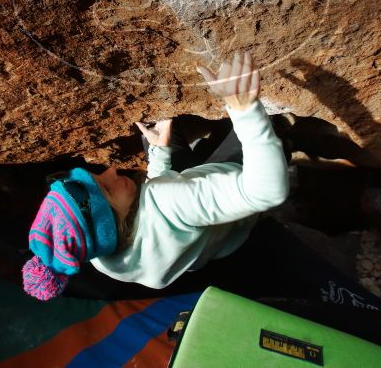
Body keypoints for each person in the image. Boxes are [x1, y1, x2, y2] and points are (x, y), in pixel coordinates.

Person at [22, 50, 290, 300]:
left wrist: (159, 155)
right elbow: (266, 191)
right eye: (108, 188)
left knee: (154, 139)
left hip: (199, 231)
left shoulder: (101, 256)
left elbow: (154, 223)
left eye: (98, 177)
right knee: (267, 116)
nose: (112, 170)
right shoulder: (170, 201)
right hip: (241, 185)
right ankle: (284, 133)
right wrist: (244, 110)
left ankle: (179, 149)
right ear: (116, 220)